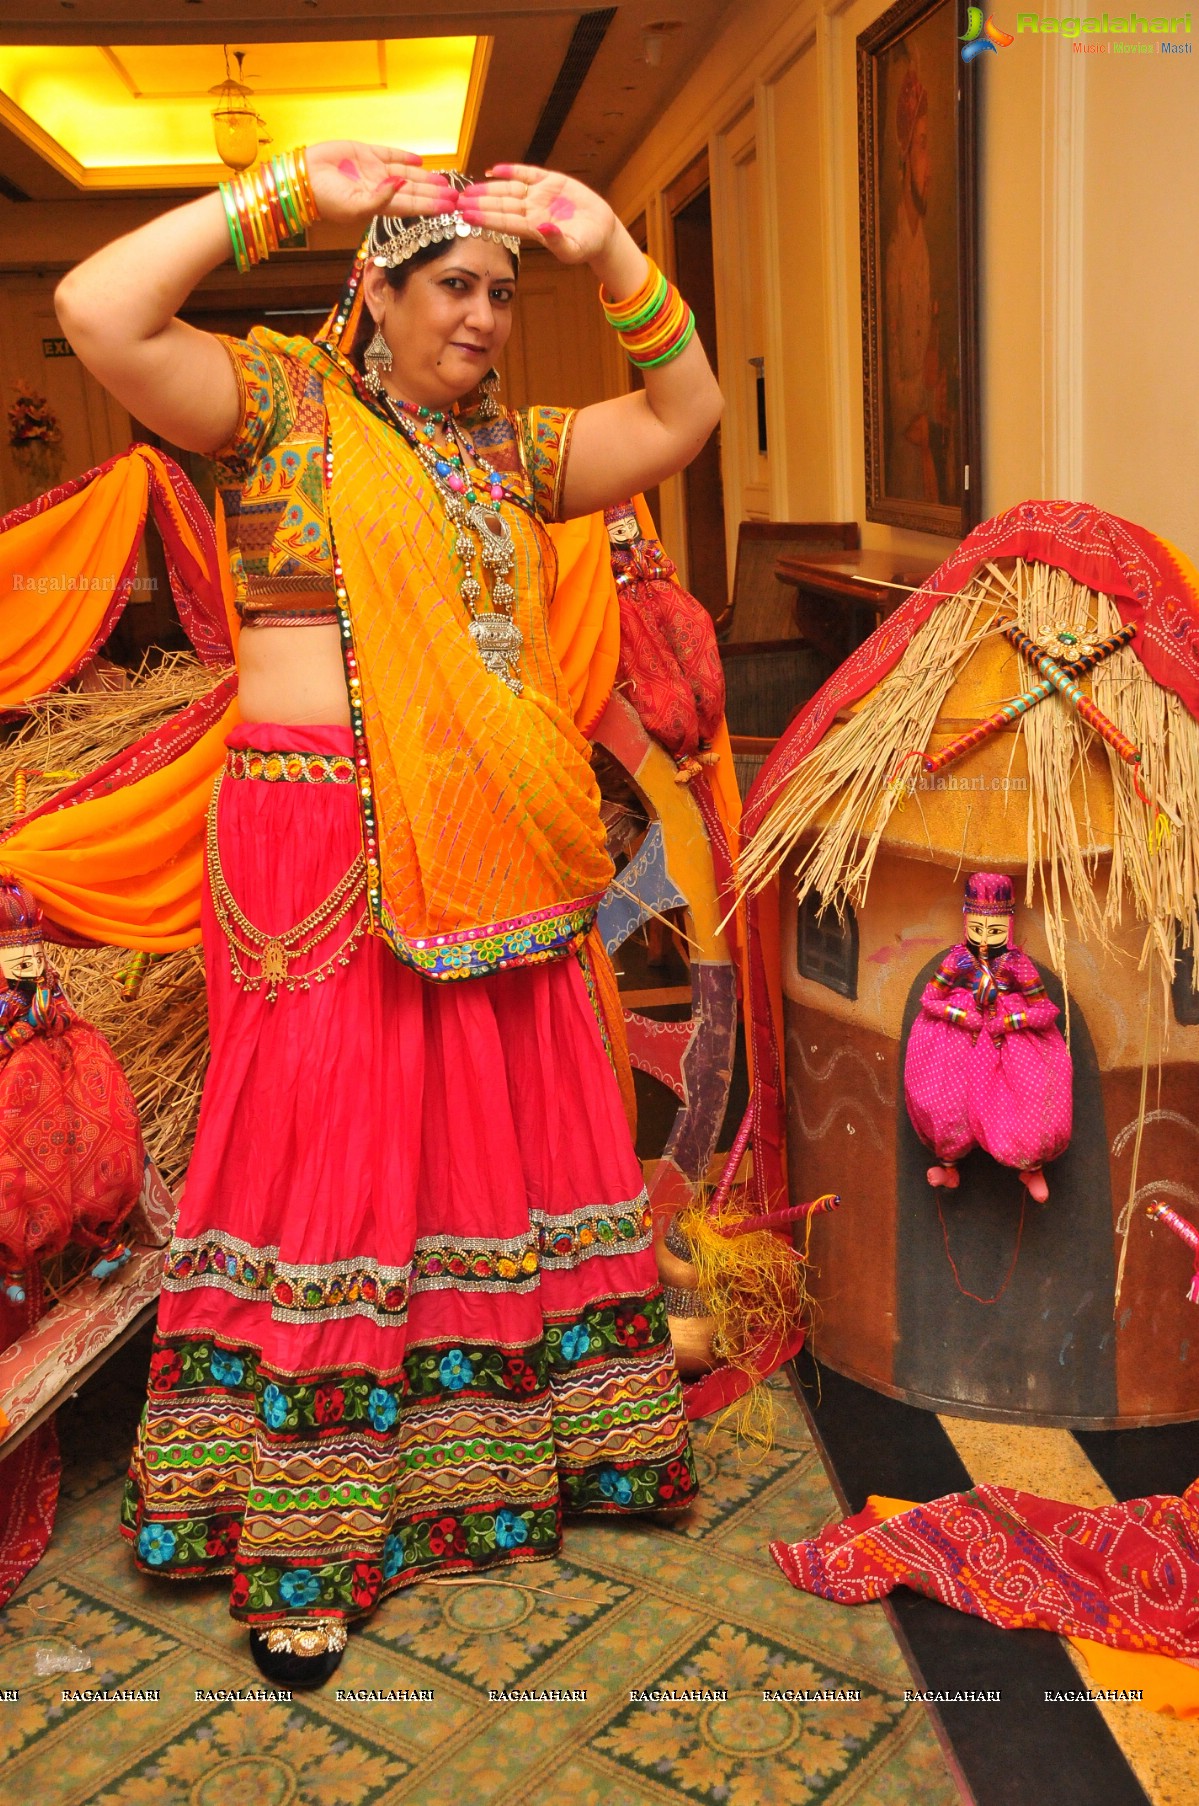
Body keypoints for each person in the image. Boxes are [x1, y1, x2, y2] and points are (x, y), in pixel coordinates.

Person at [54, 141, 723, 1687]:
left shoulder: (512, 454)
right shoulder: (281, 410)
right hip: (315, 842)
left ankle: (506, 1458)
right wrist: (288, 191)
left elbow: (680, 414)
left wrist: (609, 246)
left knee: (489, 1137)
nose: (481, 317)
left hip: (486, 838)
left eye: (499, 290)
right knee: (329, 1158)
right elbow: (95, 308)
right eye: (450, 285)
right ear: (376, 288)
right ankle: (302, 1528)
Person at [903, 871, 1073, 1201]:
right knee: (946, 1100)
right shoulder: (957, 960)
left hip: (1009, 1040)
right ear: (965, 922)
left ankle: (1032, 1167)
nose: (983, 939)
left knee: (1029, 1096)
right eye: (976, 929)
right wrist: (960, 1016)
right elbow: (929, 999)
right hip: (957, 1039)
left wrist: (1009, 1022)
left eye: (993, 930)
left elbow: (1045, 1010)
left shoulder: (1017, 965)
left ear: (1007, 927)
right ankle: (948, 1165)